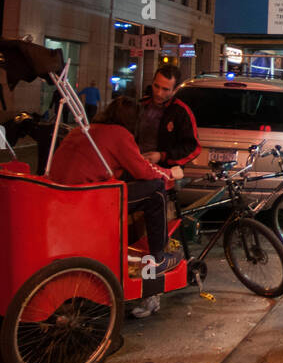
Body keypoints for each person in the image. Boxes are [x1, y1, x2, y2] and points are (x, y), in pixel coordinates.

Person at [48, 96, 184, 318]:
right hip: (88, 202)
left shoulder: (84, 129)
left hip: (61, 200)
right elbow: (145, 172)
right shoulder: (119, 134)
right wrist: (171, 174)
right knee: (155, 189)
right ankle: (158, 257)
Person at [136, 64, 200, 168]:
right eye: (156, 86)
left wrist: (162, 156)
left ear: (175, 90)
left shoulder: (181, 112)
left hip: (165, 173)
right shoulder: (141, 105)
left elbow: (192, 147)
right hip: (137, 166)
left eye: (165, 89)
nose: (159, 93)